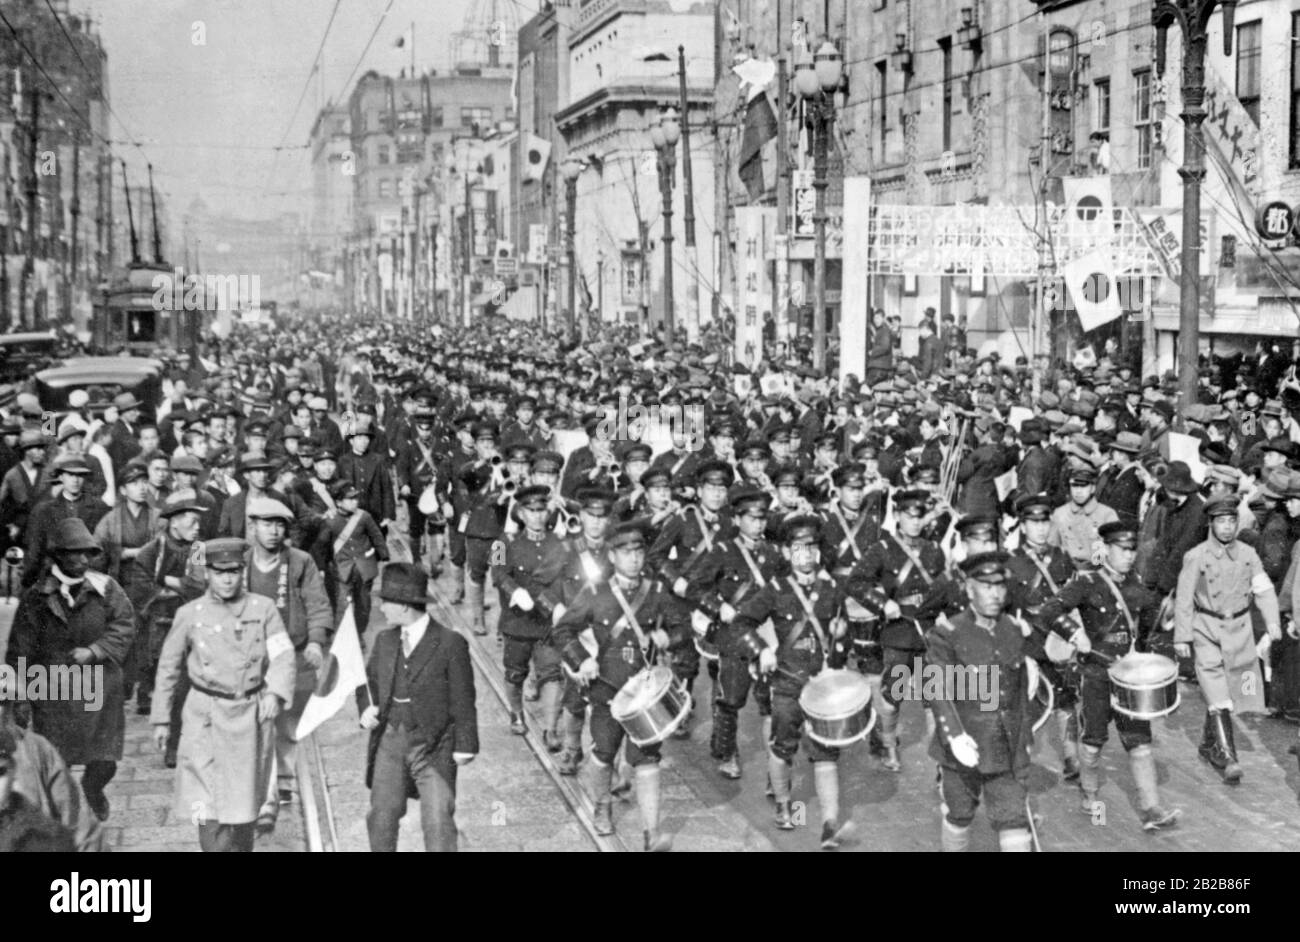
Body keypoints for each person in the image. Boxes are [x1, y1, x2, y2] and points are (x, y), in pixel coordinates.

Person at [150, 537, 296, 852]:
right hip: (205, 717)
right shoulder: (190, 613)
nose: (227, 579)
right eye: (219, 572)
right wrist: (161, 720)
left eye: (234, 572)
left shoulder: (263, 608)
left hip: (250, 715)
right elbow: (168, 667)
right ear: (208, 574)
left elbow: (283, 655)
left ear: (243, 571)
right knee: (207, 806)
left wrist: (275, 693)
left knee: (244, 810)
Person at [553, 520, 687, 851]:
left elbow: (685, 628)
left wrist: (669, 636)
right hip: (607, 689)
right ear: (612, 556)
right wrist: (582, 659)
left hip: (644, 693)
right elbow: (563, 631)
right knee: (604, 753)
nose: (634, 559)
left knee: (648, 757)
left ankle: (651, 832)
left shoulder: (656, 591)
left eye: (639, 552)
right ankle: (602, 806)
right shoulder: (595, 592)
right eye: (626, 553)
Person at [1040, 521, 1181, 831]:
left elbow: (1151, 624)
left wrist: (1167, 617)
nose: (1129, 556)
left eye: (1133, 550)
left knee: (1139, 740)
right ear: (1106, 550)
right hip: (1097, 674)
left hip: (1129, 675)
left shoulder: (1137, 585)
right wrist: (1076, 634)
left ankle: (1152, 808)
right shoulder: (1087, 583)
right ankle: (1091, 795)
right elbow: (1049, 610)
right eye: (1123, 550)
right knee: (1093, 740)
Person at [730, 514, 853, 847]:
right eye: (798, 549)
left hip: (823, 685)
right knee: (784, 747)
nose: (806, 555)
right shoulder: (775, 590)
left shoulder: (832, 589)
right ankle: (786, 807)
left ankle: (829, 825)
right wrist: (761, 651)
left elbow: (843, 635)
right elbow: (740, 624)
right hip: (786, 683)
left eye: (811, 547)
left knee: (826, 752)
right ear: (786, 553)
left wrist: (842, 637)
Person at [4, 518, 134, 823]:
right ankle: (65, 811)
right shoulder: (37, 597)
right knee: (56, 759)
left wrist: (95, 650)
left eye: (88, 553)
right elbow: (20, 649)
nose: (83, 560)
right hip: (53, 690)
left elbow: (125, 624)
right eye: (74, 553)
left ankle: (92, 788)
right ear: (58, 555)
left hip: (99, 687)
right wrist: (19, 695)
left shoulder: (107, 588)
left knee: (105, 759)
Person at [360, 561, 478, 852]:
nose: (382, 609)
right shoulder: (385, 640)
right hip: (390, 740)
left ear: (403, 606)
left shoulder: (450, 643)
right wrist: (366, 708)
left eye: (386, 602)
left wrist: (466, 744)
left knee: (437, 820)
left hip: (434, 745)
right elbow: (366, 683)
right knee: (381, 815)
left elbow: (464, 699)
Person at [926, 551, 1035, 852]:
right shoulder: (948, 633)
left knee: (1013, 820)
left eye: (1000, 586)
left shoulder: (1012, 629)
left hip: (1005, 748)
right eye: (986, 586)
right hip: (965, 746)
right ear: (968, 588)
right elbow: (936, 689)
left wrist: (1025, 739)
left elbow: (1020, 693)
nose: (995, 594)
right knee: (960, 815)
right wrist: (955, 736)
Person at [1174, 496, 1282, 785]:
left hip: (1240, 629)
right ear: (1211, 524)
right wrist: (1182, 636)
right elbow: (1184, 598)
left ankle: (1209, 743)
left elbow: (1263, 589)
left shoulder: (1248, 553)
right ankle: (1227, 755)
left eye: (1231, 521)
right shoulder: (1196, 556)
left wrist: (1272, 621)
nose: (1226, 527)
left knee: (1239, 691)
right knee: (1215, 688)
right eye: (1220, 521)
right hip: (1206, 628)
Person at [243, 496, 332, 832]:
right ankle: (266, 798)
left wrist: (315, 640)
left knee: (289, 725)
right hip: (251, 658)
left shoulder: (300, 561)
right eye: (267, 524)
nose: (273, 531)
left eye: (280, 524)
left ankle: (284, 778)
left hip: (291, 656)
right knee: (259, 725)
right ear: (253, 526)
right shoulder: (239, 561)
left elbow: (317, 602)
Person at [689, 484, 785, 780]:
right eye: (752, 518)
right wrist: (719, 607)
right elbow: (697, 587)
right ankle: (727, 751)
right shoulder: (723, 551)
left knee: (770, 697)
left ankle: (777, 759)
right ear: (738, 519)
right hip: (732, 631)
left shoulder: (773, 554)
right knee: (732, 695)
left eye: (762, 519)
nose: (758, 524)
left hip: (764, 630)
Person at [489, 484, 566, 745]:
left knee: (551, 674)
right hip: (517, 622)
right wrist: (513, 591)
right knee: (514, 674)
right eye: (530, 511)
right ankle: (516, 713)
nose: (536, 516)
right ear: (520, 514)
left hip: (547, 623)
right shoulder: (503, 543)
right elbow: (497, 572)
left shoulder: (559, 544)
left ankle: (550, 728)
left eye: (541, 510)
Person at [326, 481, 388, 632]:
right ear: (338, 502)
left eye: (356, 498)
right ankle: (344, 638)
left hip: (364, 569)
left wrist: (383, 555)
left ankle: (359, 633)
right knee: (343, 605)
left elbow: (376, 535)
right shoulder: (330, 520)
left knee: (364, 605)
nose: (355, 502)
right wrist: (324, 566)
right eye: (350, 499)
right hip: (343, 569)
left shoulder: (364, 516)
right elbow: (323, 545)